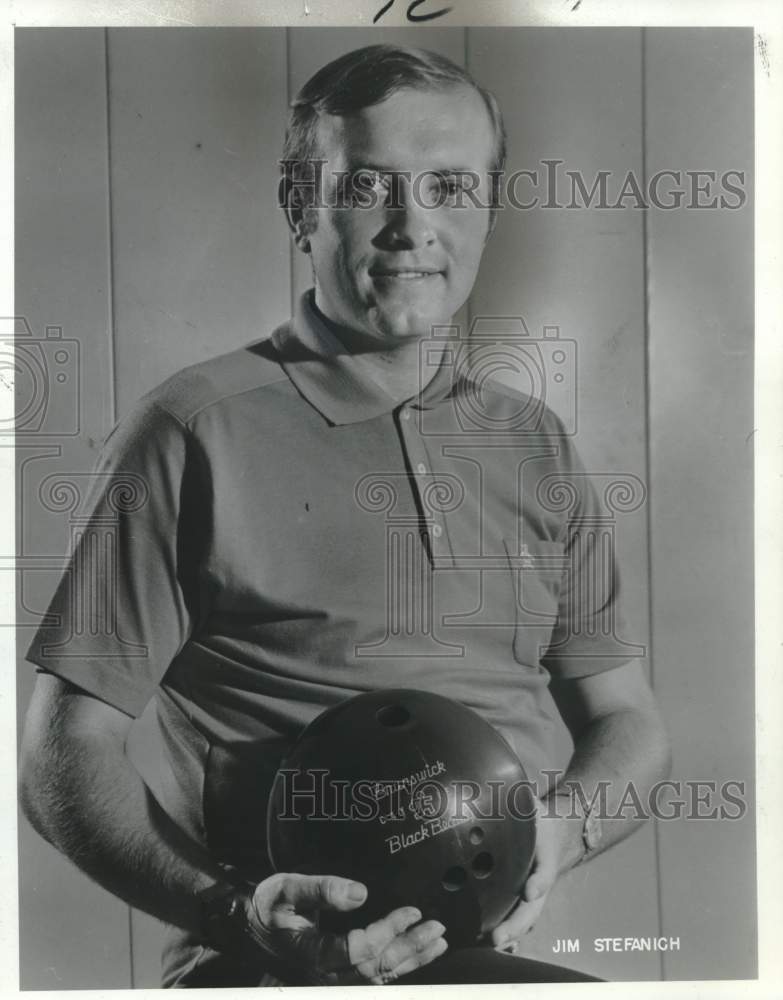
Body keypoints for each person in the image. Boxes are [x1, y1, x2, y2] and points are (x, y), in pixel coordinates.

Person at [19, 44, 671, 987]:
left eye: (449, 185)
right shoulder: (191, 431)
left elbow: (626, 718)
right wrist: (235, 915)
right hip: (269, 964)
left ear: (488, 207)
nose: (413, 227)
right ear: (299, 206)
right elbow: (60, 755)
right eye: (369, 187)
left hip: (482, 957)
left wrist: (566, 827)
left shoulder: (532, 441)